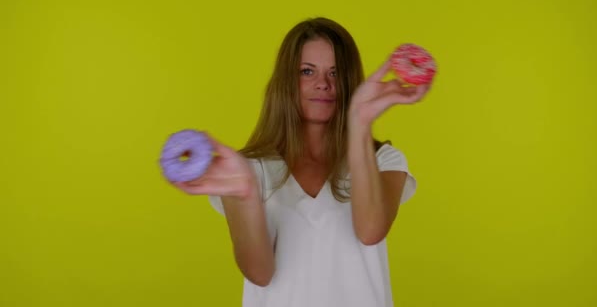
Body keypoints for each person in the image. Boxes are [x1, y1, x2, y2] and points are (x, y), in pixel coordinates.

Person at [171, 17, 430, 307]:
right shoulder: (244, 170)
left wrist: (360, 122)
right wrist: (245, 193)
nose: (323, 84)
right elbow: (259, 273)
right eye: (307, 71)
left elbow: (370, 232)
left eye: (335, 73)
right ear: (285, 81)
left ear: (349, 82)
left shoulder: (384, 160)